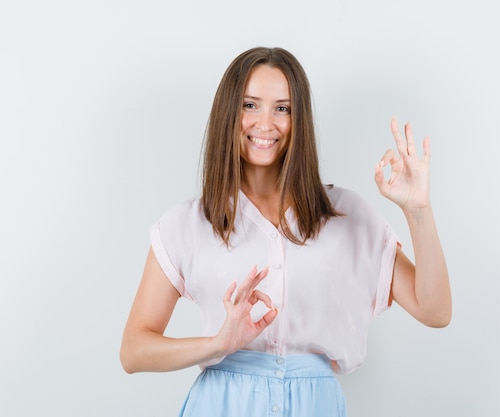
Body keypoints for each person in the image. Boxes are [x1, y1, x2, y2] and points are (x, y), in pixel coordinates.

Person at [120, 46, 451, 417]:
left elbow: (435, 311)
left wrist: (418, 211)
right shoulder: (187, 223)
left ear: (299, 119)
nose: (265, 123)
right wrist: (217, 344)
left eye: (282, 108)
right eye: (249, 105)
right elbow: (134, 350)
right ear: (228, 113)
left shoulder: (347, 216)